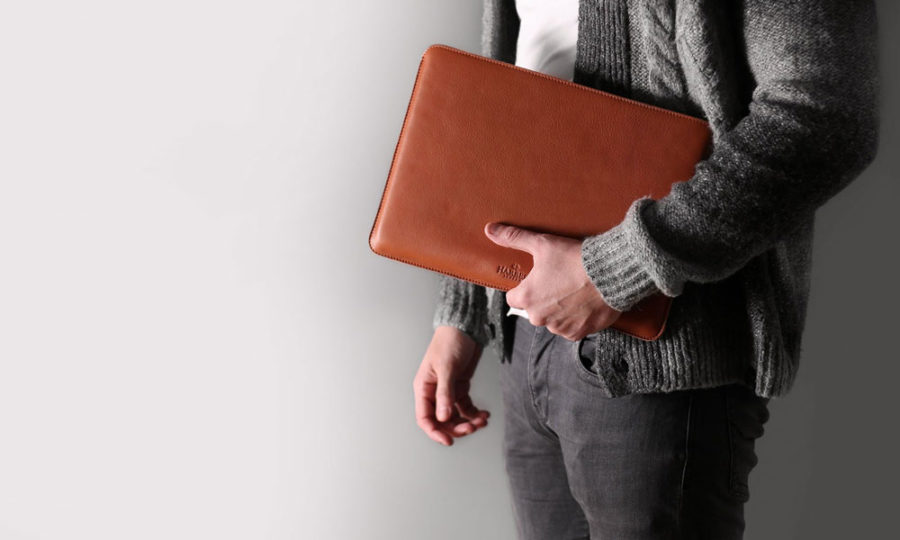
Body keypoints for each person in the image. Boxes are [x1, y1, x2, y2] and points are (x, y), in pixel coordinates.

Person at [413, 0, 879, 538]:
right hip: (523, 331)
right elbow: (517, 79)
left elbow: (825, 111)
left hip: (669, 347)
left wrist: (614, 270)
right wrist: (466, 307)